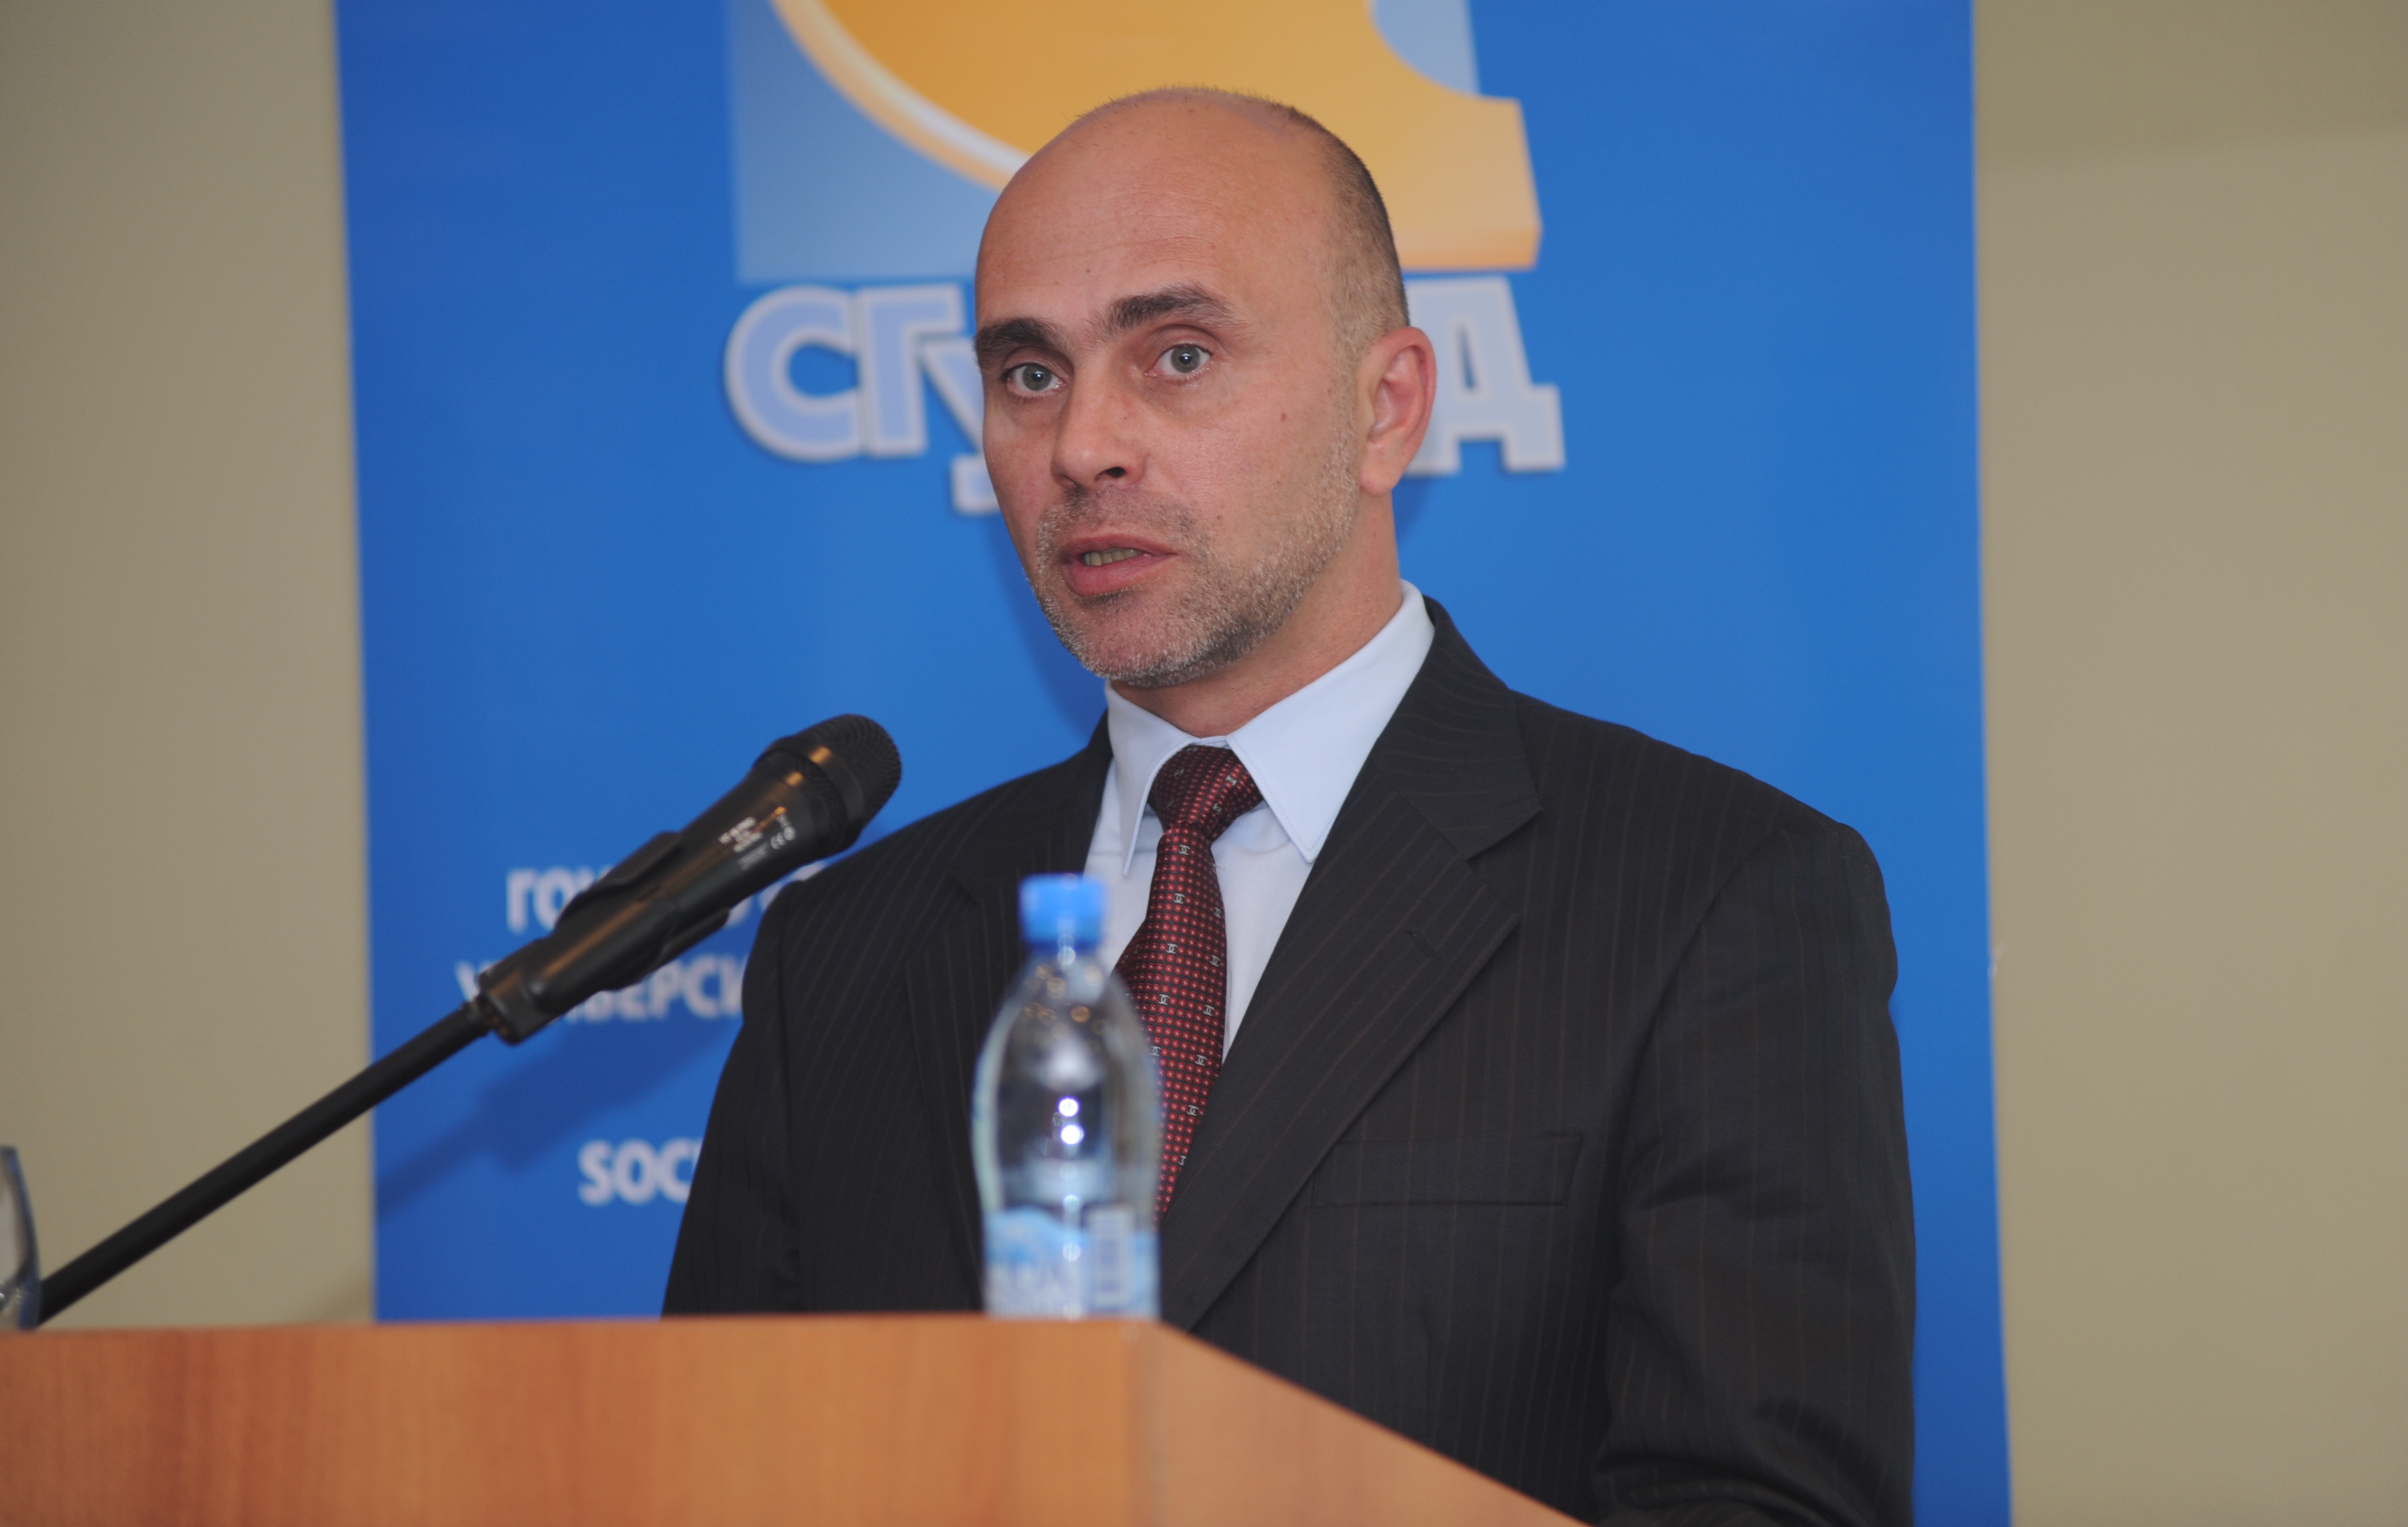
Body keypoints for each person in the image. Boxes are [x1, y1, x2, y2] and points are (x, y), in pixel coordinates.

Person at [666, 90, 1915, 1527]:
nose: (1082, 446)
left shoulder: (1713, 897)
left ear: (1387, 409)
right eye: (1029, 373)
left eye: (1178, 355)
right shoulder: (843, 950)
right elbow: (717, 1475)